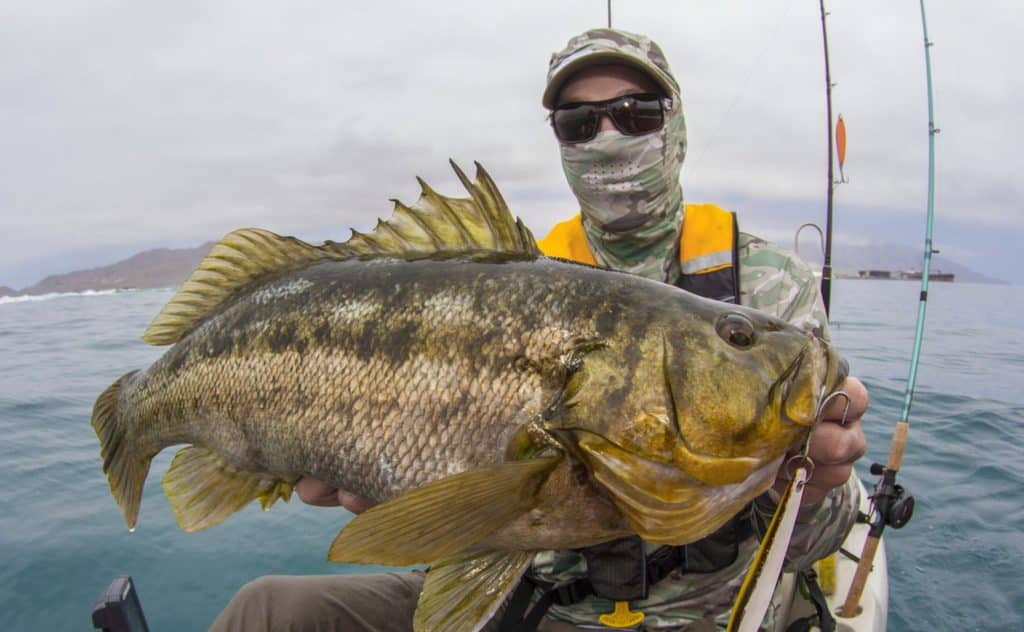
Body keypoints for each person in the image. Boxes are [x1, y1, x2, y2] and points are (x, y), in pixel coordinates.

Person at [211, 28, 868, 632]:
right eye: (579, 122)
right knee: (266, 611)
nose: (608, 135)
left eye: (637, 113)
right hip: (538, 607)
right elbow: (477, 511)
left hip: (716, 616)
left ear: (676, 125)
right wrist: (400, 497)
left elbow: (817, 540)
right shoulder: (525, 274)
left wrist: (811, 488)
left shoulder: (769, 289)